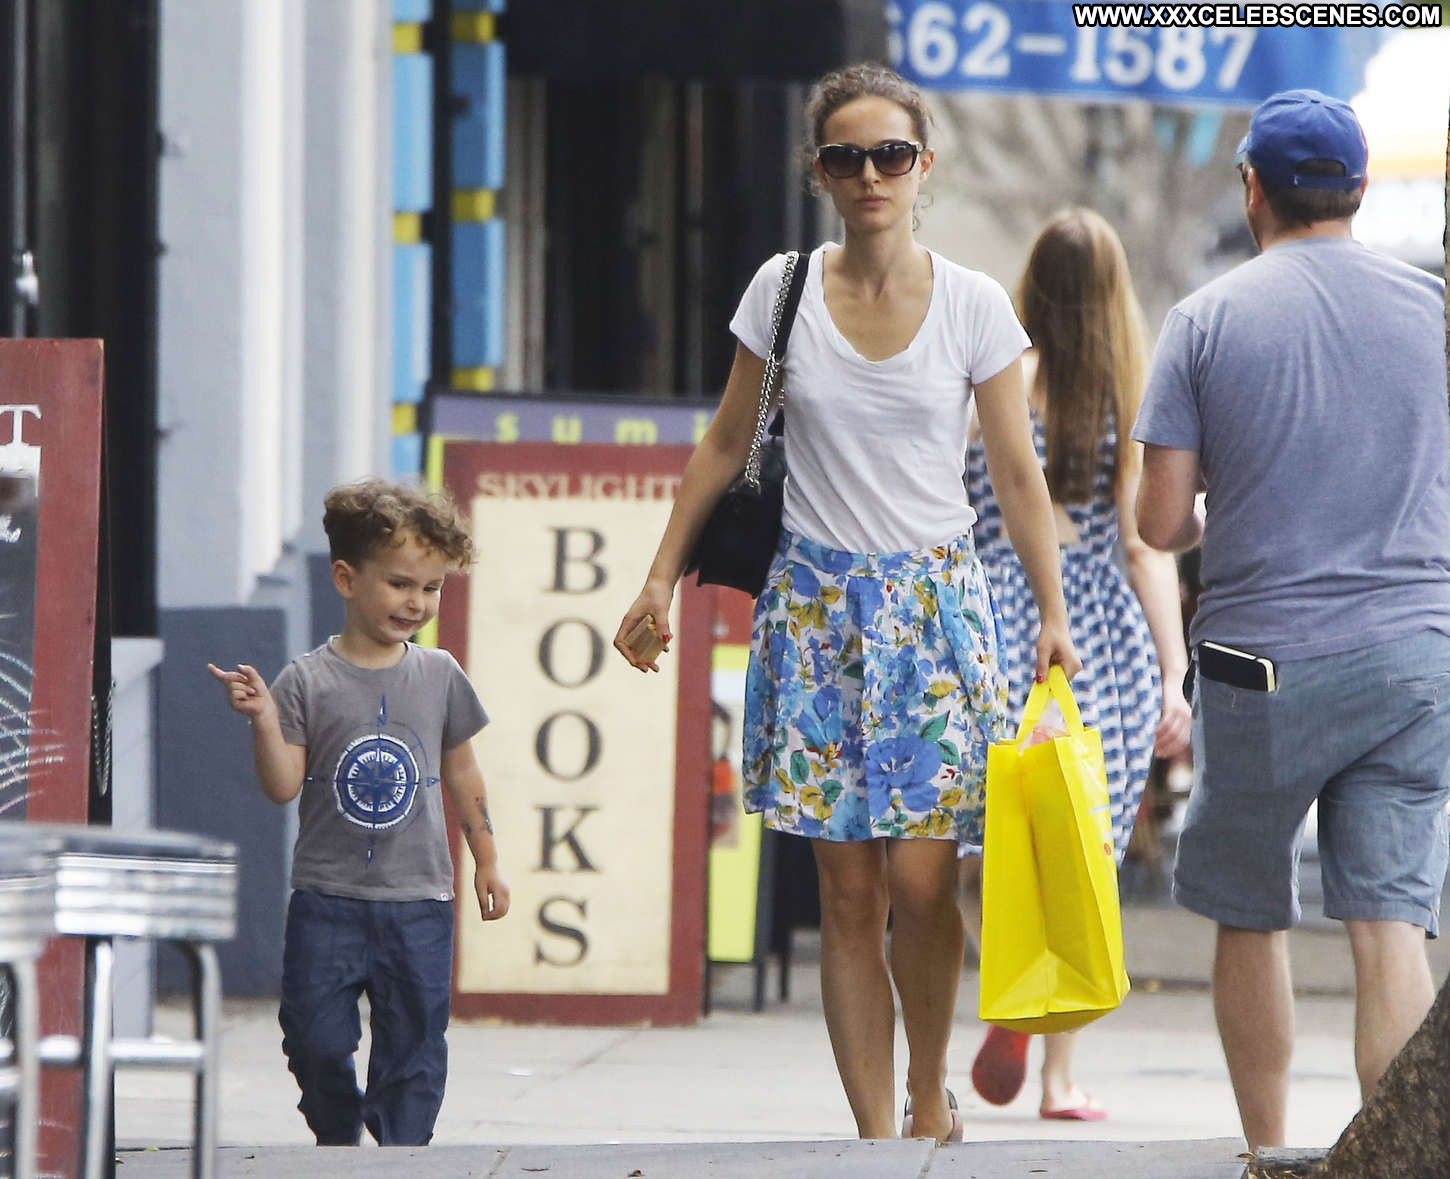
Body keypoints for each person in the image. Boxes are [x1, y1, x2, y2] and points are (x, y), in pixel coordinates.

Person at [614, 63, 1080, 1143]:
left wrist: (1051, 612)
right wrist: (658, 577)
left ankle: (928, 1086)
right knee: (848, 894)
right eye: (846, 156)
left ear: (923, 166)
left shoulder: (972, 305)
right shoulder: (781, 290)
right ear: (818, 171)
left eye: (891, 155)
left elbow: (1017, 474)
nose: (870, 175)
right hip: (816, 612)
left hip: (934, 612)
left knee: (921, 884)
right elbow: (725, 441)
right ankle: (875, 1136)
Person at [1132, 89, 1450, 1152]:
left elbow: (1160, 522)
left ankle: (1269, 1153)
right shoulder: (1433, 311)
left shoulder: (1206, 319)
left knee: (1249, 905)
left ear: (1252, 190)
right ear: (1357, 188)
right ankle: (1393, 1164)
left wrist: (1225, 500)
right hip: (1413, 653)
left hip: (1259, 665)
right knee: (1389, 920)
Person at [959, 208, 1192, 1121]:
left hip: (997, 625)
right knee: (1080, 853)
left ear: (1031, 284)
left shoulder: (997, 383)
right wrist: (1172, 674)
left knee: (985, 844)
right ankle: (1058, 1076)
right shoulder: (1125, 398)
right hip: (1100, 642)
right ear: (1111, 296)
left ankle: (1004, 981)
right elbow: (1143, 549)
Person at [208, 478, 510, 1146]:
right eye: (400, 583)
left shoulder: (440, 675)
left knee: (415, 1044)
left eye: (431, 587)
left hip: (420, 901)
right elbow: (283, 785)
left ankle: (399, 1156)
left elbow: (463, 771)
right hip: (328, 900)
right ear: (346, 578)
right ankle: (339, 1134)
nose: (417, 602)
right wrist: (263, 719)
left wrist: (486, 858)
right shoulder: (305, 680)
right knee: (313, 1036)